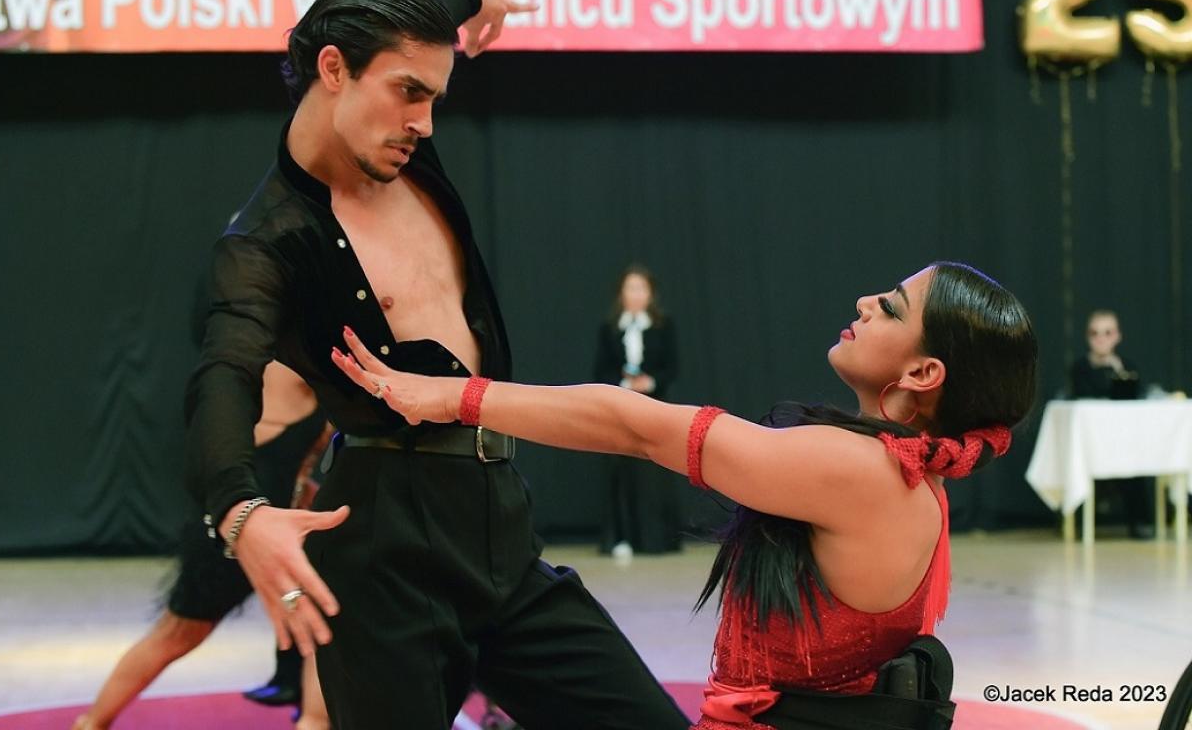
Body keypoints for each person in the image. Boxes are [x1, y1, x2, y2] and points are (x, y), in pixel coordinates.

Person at [184, 0, 689, 730]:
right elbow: (223, 375)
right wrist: (239, 511)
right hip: (384, 547)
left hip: (498, 526)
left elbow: (436, 7)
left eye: (434, 97)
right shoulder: (264, 241)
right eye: (409, 92)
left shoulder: (401, 147)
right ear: (332, 70)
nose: (424, 121)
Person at [333, 261, 1039, 730]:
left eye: (889, 308)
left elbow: (633, 428)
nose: (865, 302)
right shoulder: (919, 479)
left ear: (922, 372)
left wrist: (453, 398)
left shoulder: (869, 475)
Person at [73, 359, 331, 730]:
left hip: (264, 526)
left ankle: (314, 722)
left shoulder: (280, 366)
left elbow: (300, 464)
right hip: (233, 529)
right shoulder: (285, 368)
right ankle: (91, 723)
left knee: (322, 628)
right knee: (177, 634)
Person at [593, 265, 681, 557]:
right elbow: (600, 369)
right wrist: (623, 384)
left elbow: (672, 367)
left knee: (654, 471)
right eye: (630, 288)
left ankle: (656, 538)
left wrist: (650, 382)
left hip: (655, 405)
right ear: (621, 294)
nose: (635, 294)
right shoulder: (609, 329)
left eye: (641, 288)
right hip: (620, 407)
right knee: (619, 469)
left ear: (650, 294)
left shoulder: (663, 326)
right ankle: (620, 538)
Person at [1068, 309, 1153, 538]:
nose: (1101, 339)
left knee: (1135, 467)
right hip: (1092, 443)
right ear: (1088, 337)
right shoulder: (1080, 368)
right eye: (1095, 333)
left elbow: (1134, 399)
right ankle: (1078, 524)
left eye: (1107, 333)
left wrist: (1118, 371)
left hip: (1125, 442)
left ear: (1117, 336)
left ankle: (1140, 522)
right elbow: (1083, 397)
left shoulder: (1127, 366)